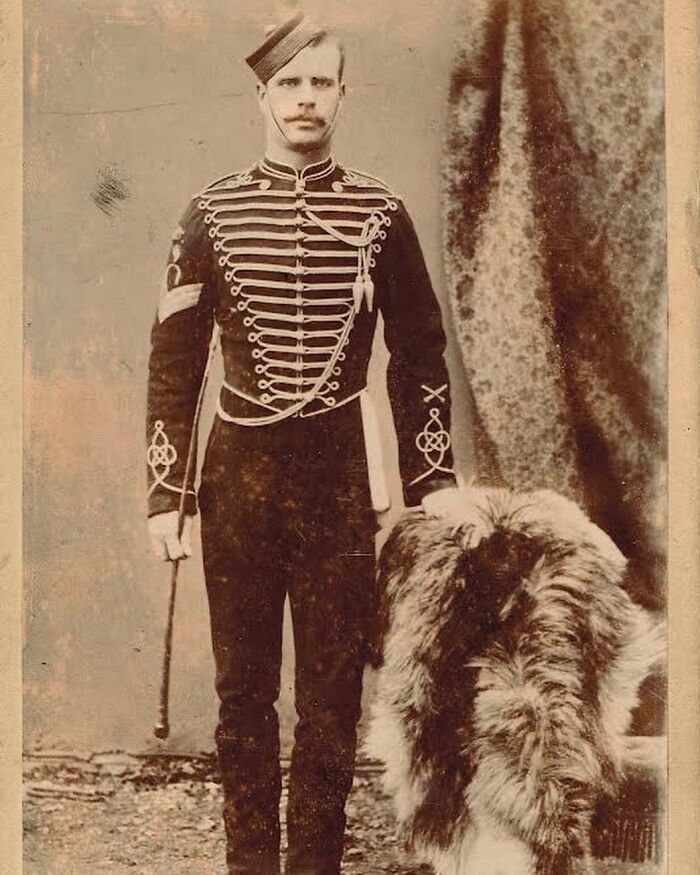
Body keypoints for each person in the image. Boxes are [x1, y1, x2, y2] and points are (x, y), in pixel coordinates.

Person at [146, 13, 457, 875]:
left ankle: (315, 863)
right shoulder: (207, 214)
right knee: (243, 696)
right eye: (290, 83)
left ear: (343, 95)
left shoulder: (381, 214)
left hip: (337, 481)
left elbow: (421, 349)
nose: (305, 98)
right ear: (262, 98)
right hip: (236, 476)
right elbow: (174, 362)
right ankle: (251, 864)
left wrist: (432, 480)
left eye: (321, 82)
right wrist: (164, 498)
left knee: (330, 698)